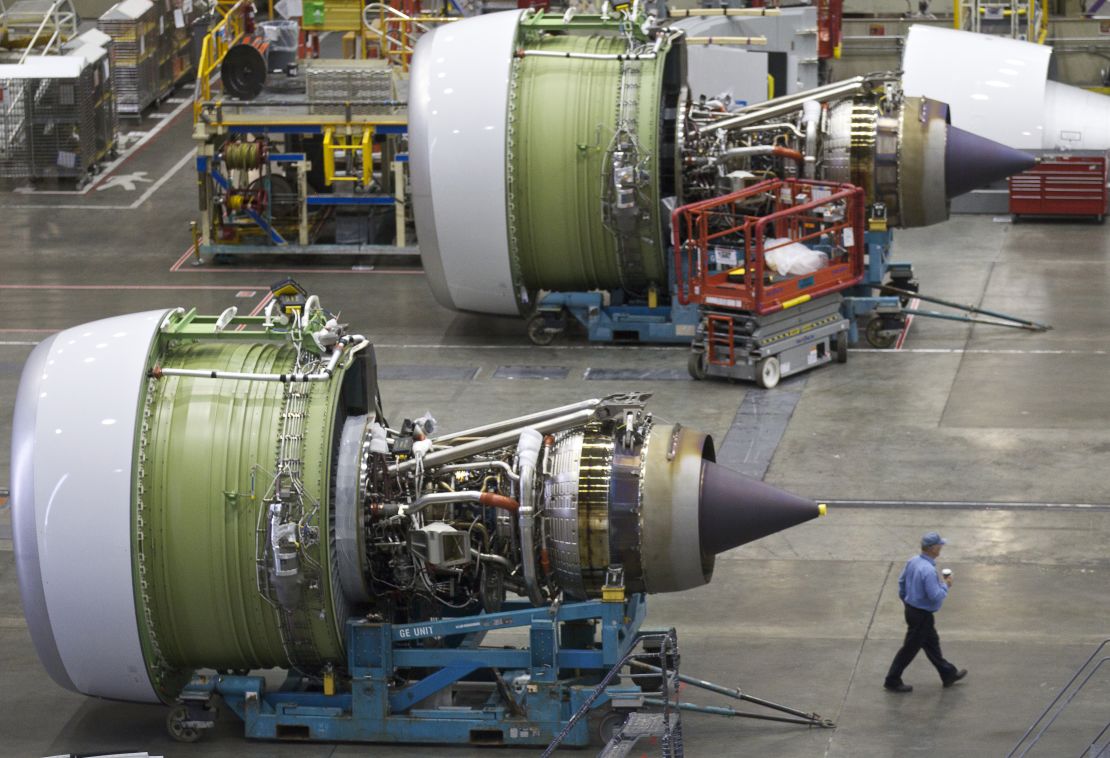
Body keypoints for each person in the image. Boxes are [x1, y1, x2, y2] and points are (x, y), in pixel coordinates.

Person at [883, 531, 968, 693]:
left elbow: (901, 582)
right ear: (933, 548)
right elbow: (935, 595)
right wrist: (946, 585)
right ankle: (892, 679)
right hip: (921, 615)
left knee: (932, 643)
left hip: (913, 611)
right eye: (939, 545)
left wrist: (907, 600)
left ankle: (947, 673)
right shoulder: (928, 570)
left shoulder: (913, 561)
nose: (941, 548)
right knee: (909, 649)